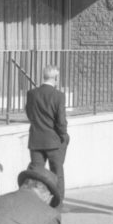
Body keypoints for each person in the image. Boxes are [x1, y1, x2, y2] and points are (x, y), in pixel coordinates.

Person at [26, 65, 69, 200]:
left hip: (36, 139)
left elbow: (29, 113)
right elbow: (61, 120)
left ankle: (34, 201)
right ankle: (57, 203)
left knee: (36, 174)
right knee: (57, 173)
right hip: (53, 141)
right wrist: (64, 135)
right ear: (55, 78)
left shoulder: (31, 94)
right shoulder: (58, 96)